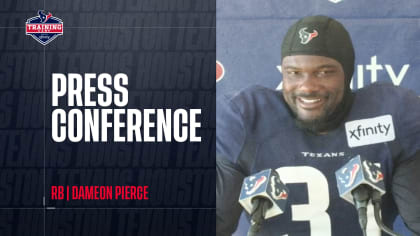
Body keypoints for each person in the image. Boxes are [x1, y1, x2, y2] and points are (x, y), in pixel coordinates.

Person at [216, 15, 420, 236]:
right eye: (294, 73)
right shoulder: (247, 118)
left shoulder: (390, 115)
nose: (307, 87)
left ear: (347, 73)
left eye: (324, 72)